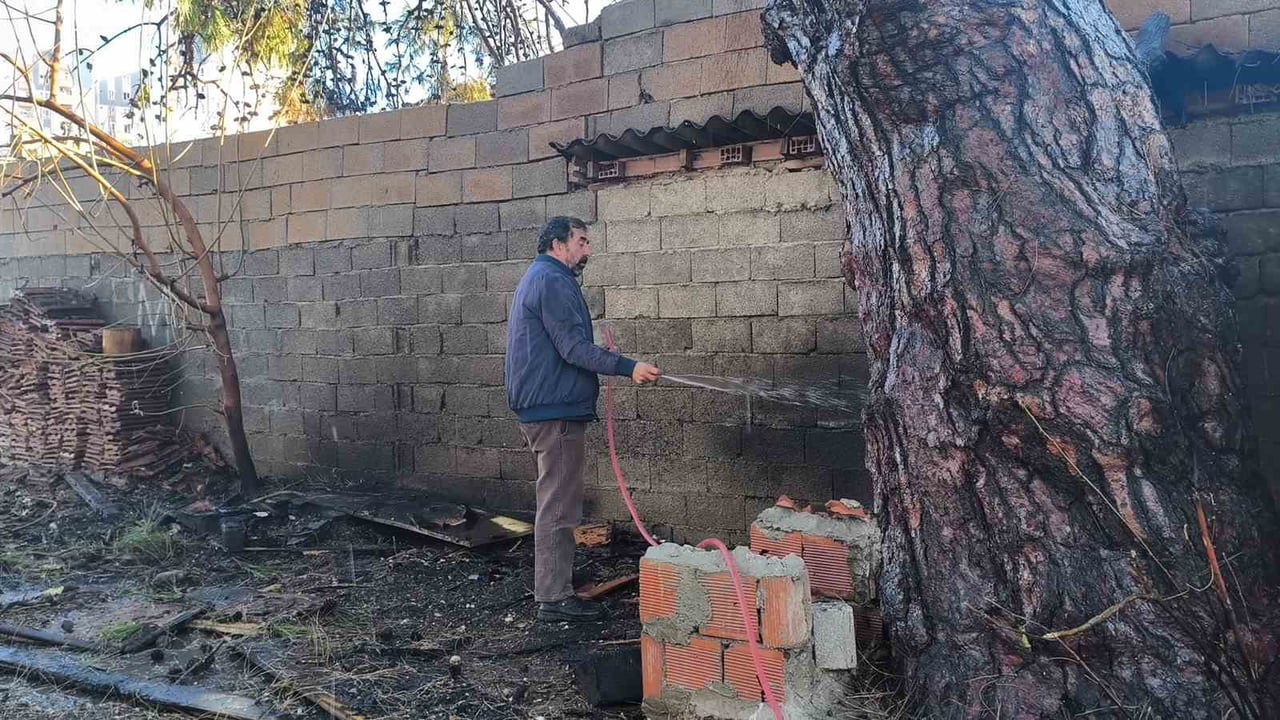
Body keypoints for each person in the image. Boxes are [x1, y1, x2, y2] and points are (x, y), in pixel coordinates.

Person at [505, 216, 662, 622]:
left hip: (546, 406)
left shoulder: (541, 278)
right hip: (554, 410)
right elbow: (572, 348)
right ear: (558, 244)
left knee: (556, 501)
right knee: (559, 506)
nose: (587, 249)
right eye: (582, 241)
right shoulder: (553, 281)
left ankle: (555, 583)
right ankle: (554, 599)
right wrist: (628, 366)